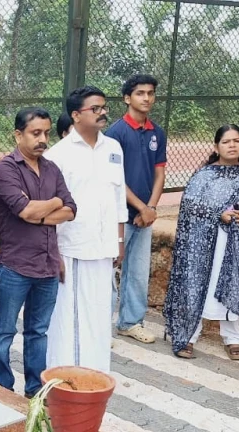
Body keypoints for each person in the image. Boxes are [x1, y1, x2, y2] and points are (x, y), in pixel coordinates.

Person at [164, 124, 239, 361]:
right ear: (216, 147)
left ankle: (233, 337)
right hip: (204, 245)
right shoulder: (204, 175)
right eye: (226, 142)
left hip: (238, 244)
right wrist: (217, 214)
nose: (232, 145)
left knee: (235, 282)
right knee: (199, 283)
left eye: (236, 141)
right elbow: (190, 206)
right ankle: (189, 335)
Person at [0, 108, 76, 399]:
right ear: (18, 134)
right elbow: (25, 210)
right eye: (35, 133)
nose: (42, 139)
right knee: (4, 332)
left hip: (48, 266)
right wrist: (52, 202)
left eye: (46, 133)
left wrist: (40, 213)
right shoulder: (5, 169)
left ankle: (35, 390)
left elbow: (71, 209)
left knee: (37, 332)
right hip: (16, 265)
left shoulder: (51, 168)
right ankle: (3, 388)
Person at [43, 86, 127, 374]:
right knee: (69, 318)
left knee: (99, 314)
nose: (103, 113)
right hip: (72, 248)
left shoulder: (113, 148)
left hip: (104, 248)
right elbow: (49, 210)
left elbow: (118, 200)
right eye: (95, 108)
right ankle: (64, 376)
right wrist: (53, 252)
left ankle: (95, 373)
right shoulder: (58, 155)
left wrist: (119, 240)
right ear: (76, 115)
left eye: (104, 107)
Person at [106, 74, 167, 344]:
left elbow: (160, 173)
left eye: (150, 93)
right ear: (127, 98)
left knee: (138, 272)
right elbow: (115, 179)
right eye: (140, 93)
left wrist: (151, 208)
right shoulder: (115, 133)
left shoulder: (157, 132)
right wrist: (141, 207)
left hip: (145, 217)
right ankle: (99, 325)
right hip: (119, 216)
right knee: (108, 269)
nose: (146, 98)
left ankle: (130, 322)